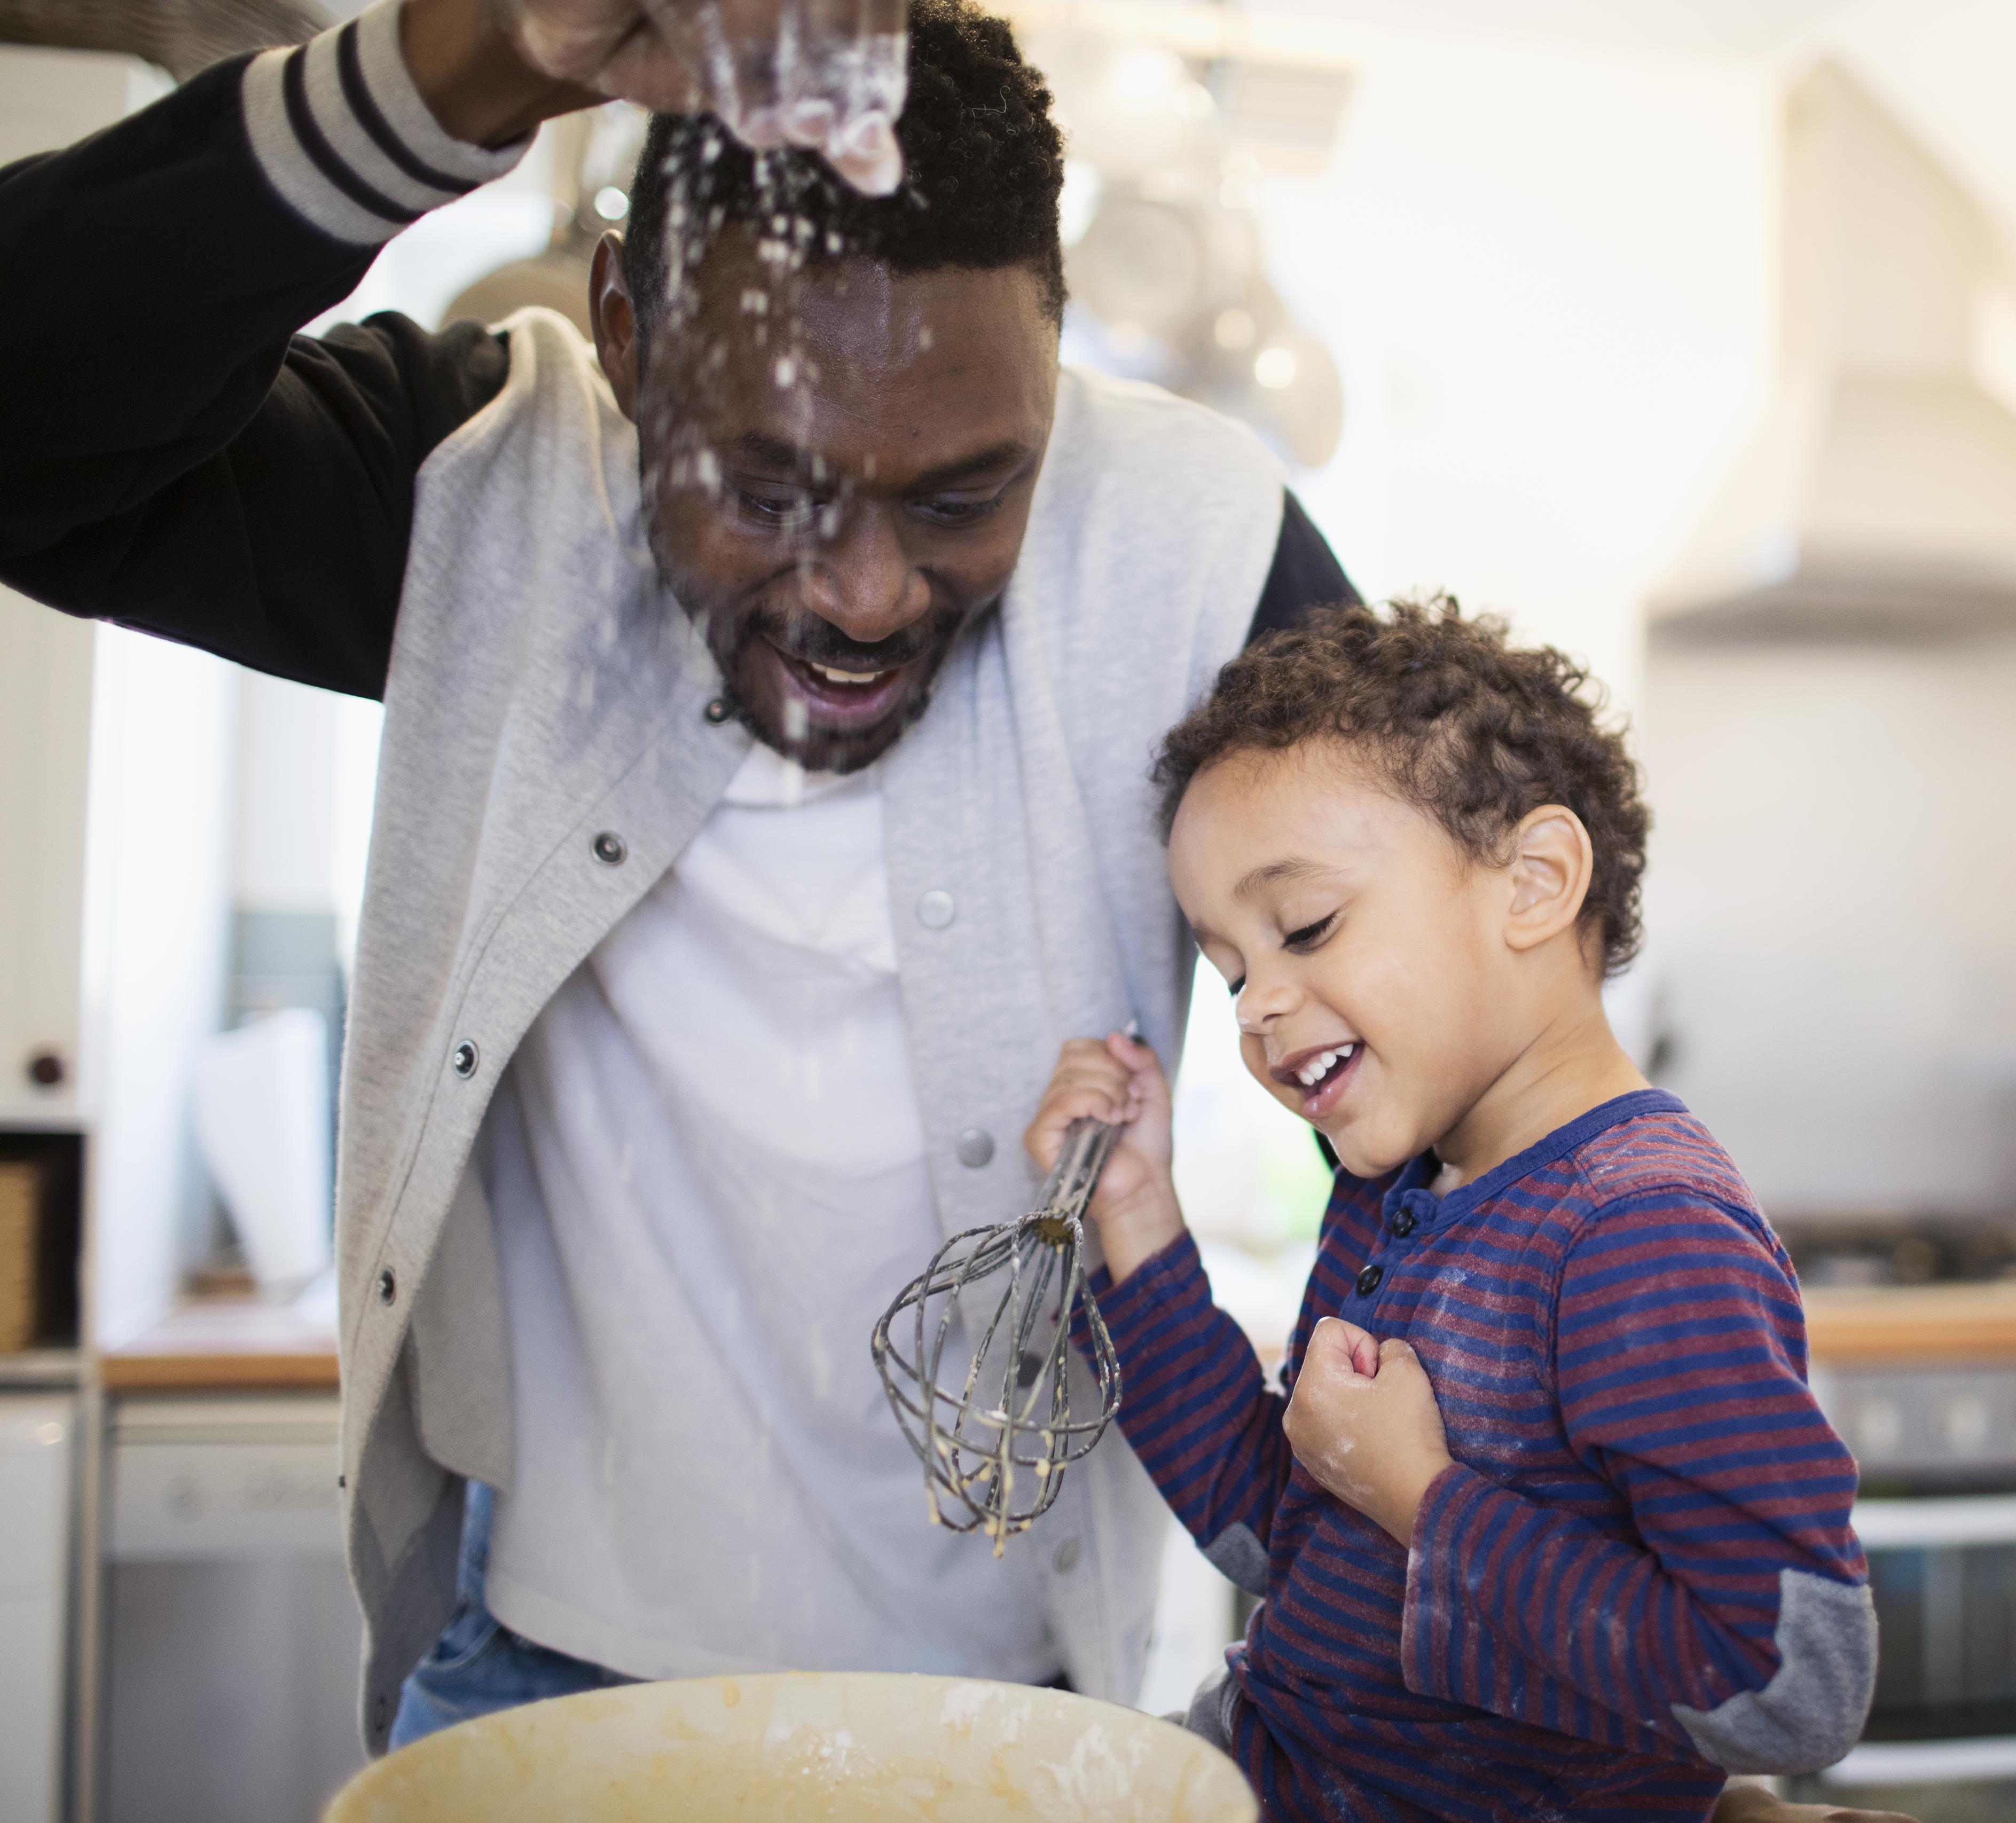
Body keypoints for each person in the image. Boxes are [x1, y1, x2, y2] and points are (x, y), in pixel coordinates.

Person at [0, 0, 1360, 1751]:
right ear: (627, 338)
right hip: (543, 1679)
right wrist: (449, 72)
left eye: (964, 495)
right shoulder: (481, 497)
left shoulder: (1196, 544)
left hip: (1017, 1711)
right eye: (769, 486)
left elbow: (1439, 1041)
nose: (868, 595)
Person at [1027, 598, 1881, 1821]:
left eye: (1306, 927)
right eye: (1230, 969)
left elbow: (1785, 1688)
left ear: (1535, 883)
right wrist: (1136, 1215)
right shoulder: (1395, 1194)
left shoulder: (1642, 1238)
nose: (1258, 1006)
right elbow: (1279, 1529)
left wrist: (1422, 1498)